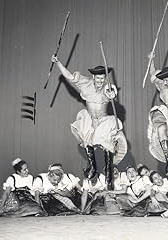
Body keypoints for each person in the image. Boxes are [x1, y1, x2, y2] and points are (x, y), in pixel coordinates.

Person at [51, 55, 127, 189]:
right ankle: (93, 167)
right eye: (98, 78)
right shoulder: (85, 82)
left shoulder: (107, 86)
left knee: (107, 148)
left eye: (102, 78)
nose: (100, 80)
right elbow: (69, 76)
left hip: (104, 121)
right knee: (86, 137)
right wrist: (58, 63)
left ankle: (109, 180)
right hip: (90, 120)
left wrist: (111, 94)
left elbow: (111, 92)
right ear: (93, 77)